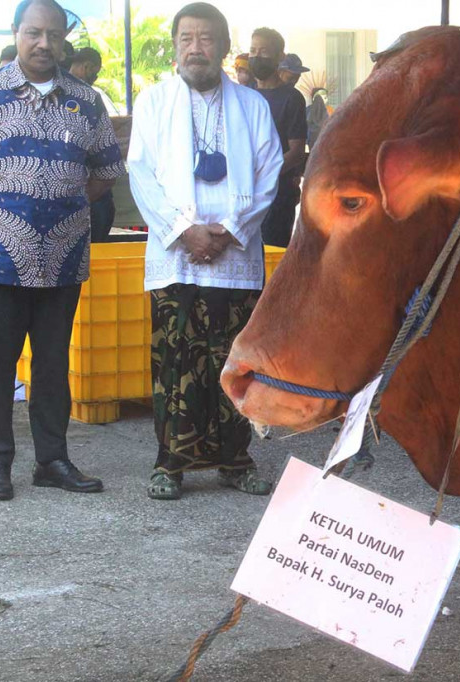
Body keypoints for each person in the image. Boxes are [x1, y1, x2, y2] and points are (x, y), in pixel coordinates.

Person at [0, 0, 124, 501]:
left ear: (64, 38)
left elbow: (107, 171)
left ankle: (53, 460)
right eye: (33, 33)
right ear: (18, 34)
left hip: (63, 259)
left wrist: (63, 201)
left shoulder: (87, 101)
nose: (44, 44)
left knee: (52, 365)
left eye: (53, 35)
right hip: (0, 259)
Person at [127, 2, 281, 500]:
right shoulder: (153, 102)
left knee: (234, 363)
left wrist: (230, 230)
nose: (196, 48)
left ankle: (236, 461)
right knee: (174, 362)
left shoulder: (252, 106)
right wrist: (184, 230)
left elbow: (270, 173)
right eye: (186, 38)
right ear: (175, 47)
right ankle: (169, 464)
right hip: (177, 257)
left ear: (223, 45)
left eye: (206, 38)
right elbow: (141, 174)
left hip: (234, 258)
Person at [249, 27, 306, 247]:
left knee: (271, 252)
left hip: (278, 194)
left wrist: (265, 174)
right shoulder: (243, 95)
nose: (256, 56)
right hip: (244, 195)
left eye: (263, 51)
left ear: (279, 56)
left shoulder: (292, 98)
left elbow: (296, 151)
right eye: (253, 50)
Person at [69, 46, 118, 242]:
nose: (94, 78)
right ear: (87, 66)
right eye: (94, 73)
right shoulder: (87, 98)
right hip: (88, 194)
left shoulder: (90, 98)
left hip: (92, 194)